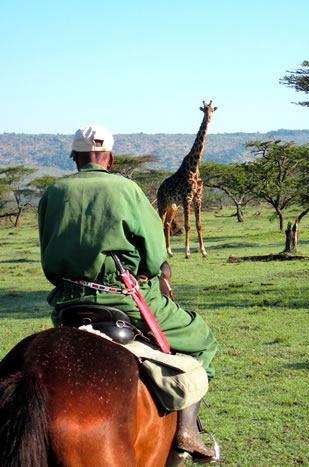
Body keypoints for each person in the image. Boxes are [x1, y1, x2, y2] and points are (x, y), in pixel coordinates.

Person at [38, 125, 218, 462]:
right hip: (125, 299)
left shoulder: (52, 193)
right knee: (203, 339)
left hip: (67, 304)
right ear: (110, 157)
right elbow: (153, 255)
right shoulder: (127, 189)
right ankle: (187, 431)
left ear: (74, 157)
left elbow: (49, 263)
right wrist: (150, 272)